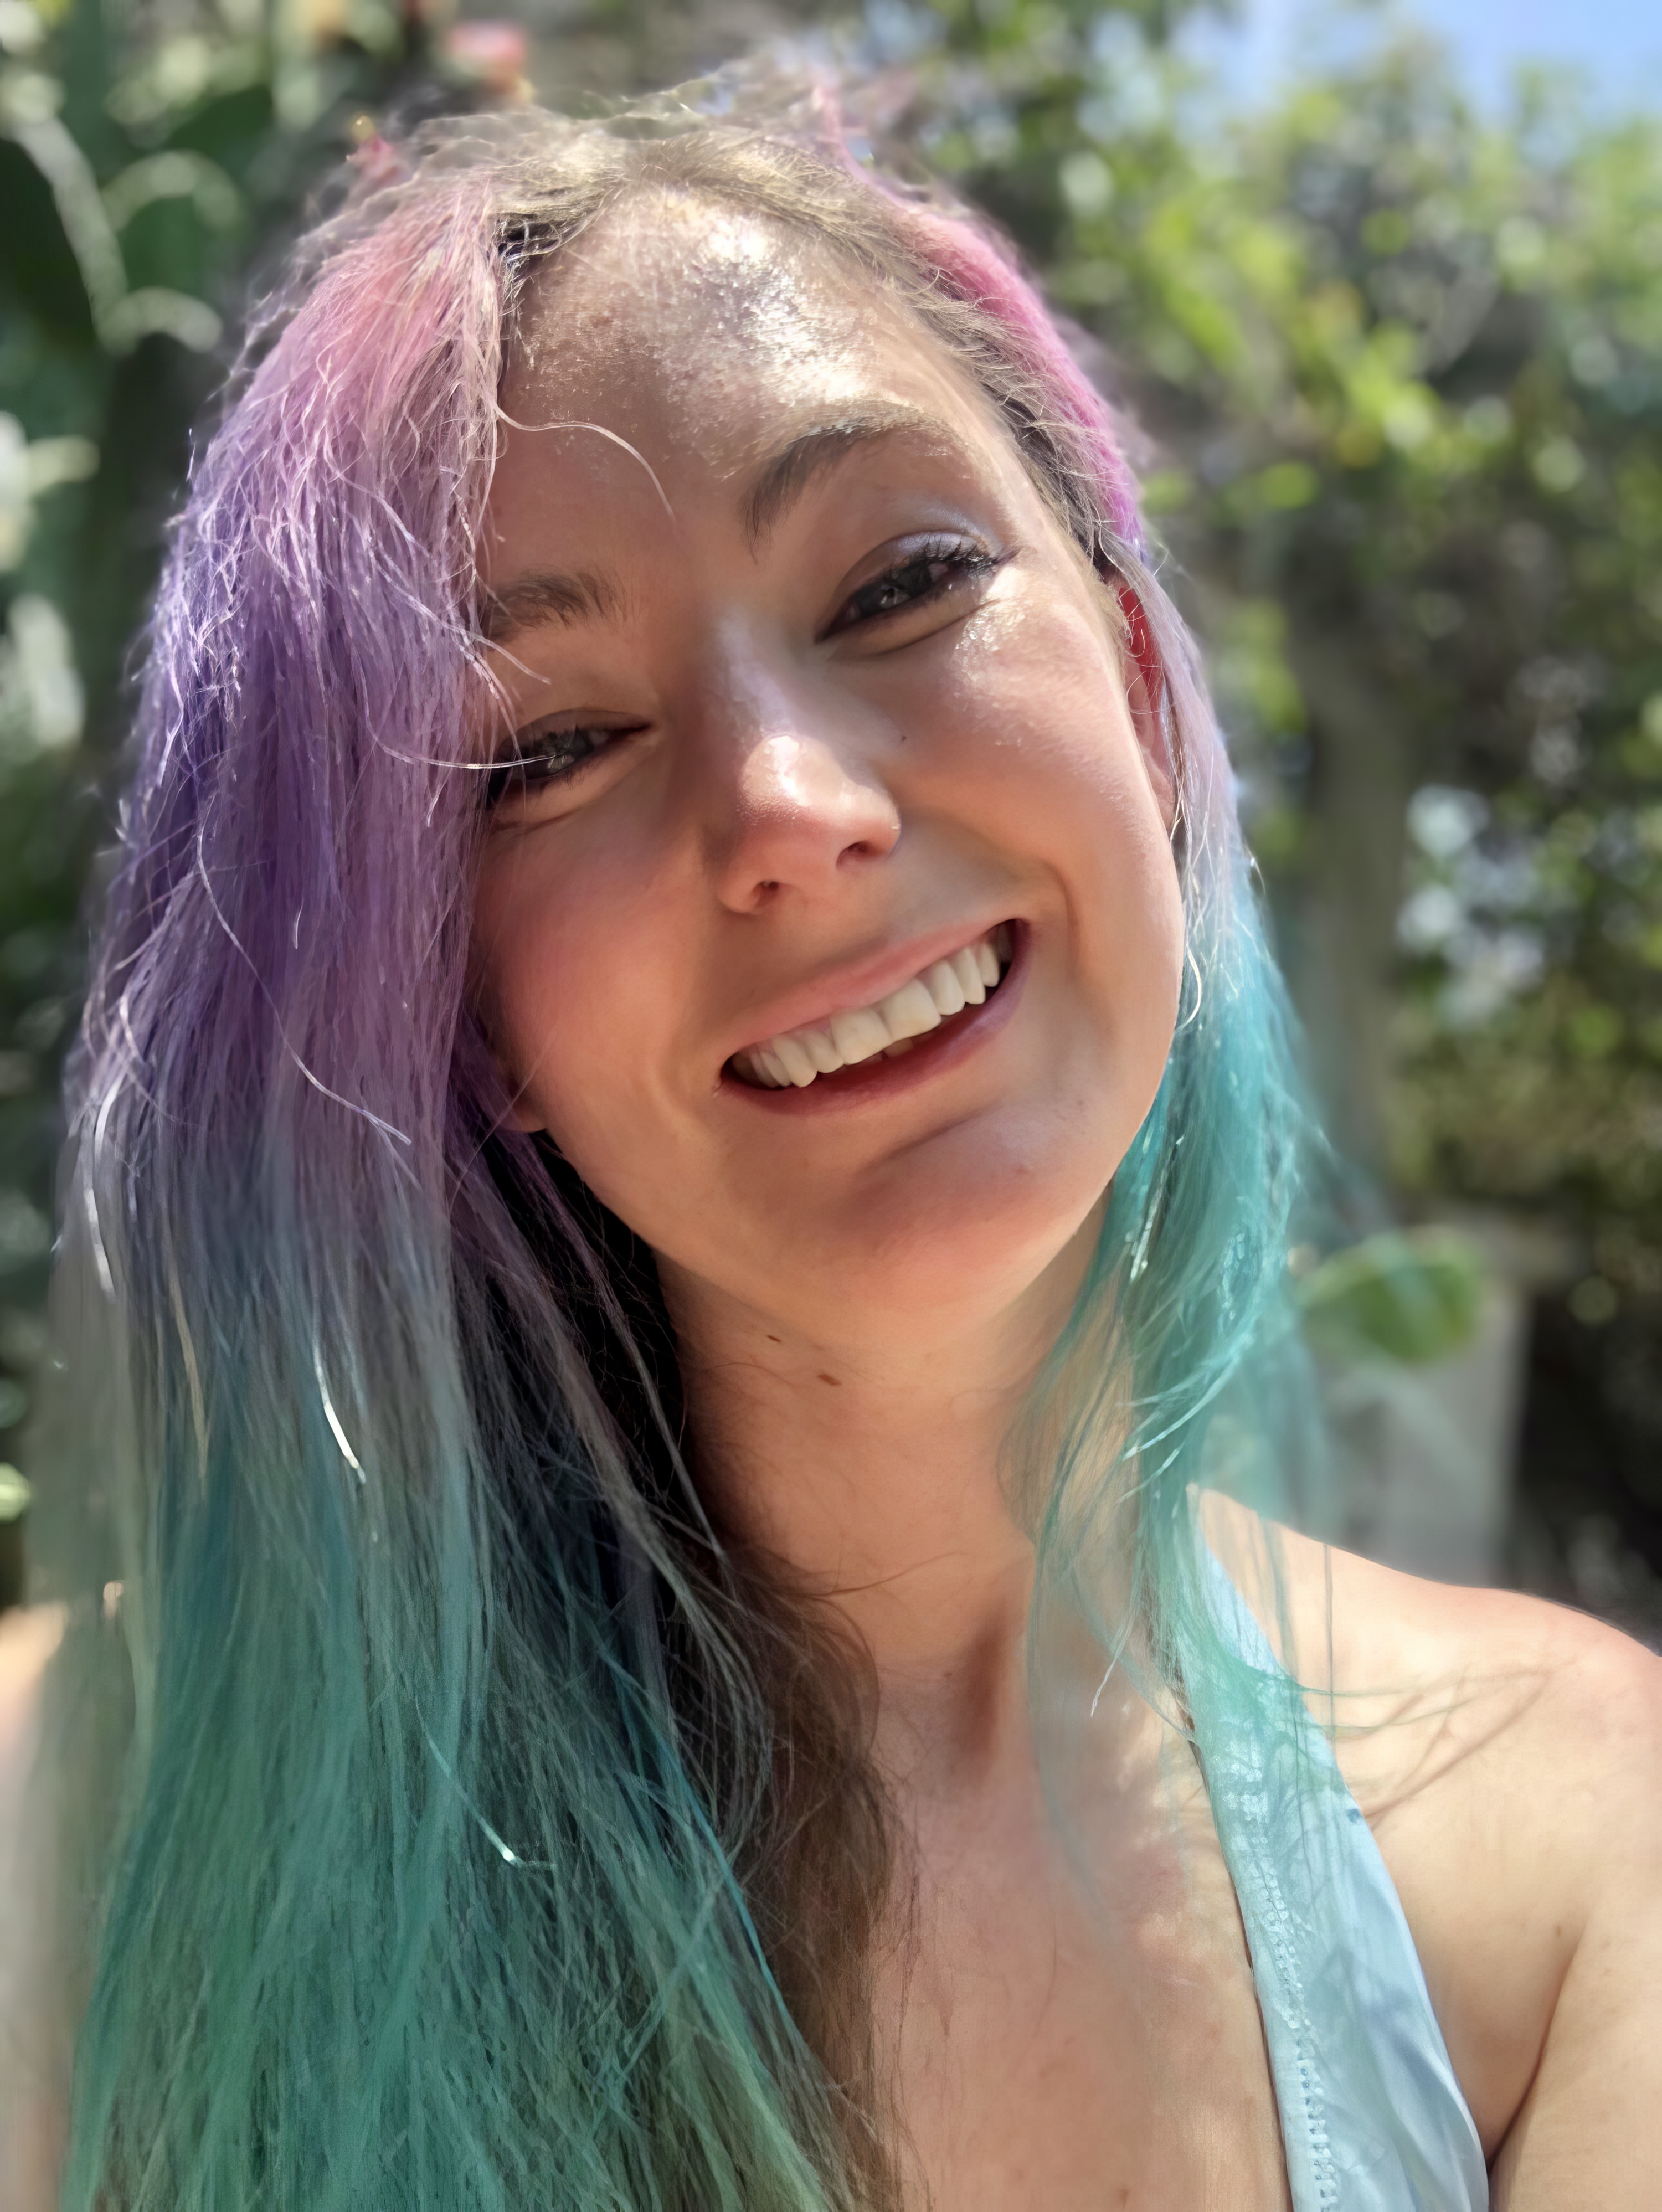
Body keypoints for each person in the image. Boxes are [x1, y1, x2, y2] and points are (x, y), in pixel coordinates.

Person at [14, 80, 1660, 2212]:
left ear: (1148, 699)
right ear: (446, 1006)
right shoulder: (68, 1842)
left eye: (898, 582)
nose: (789, 803)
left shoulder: (1576, 1841)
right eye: (551, 745)